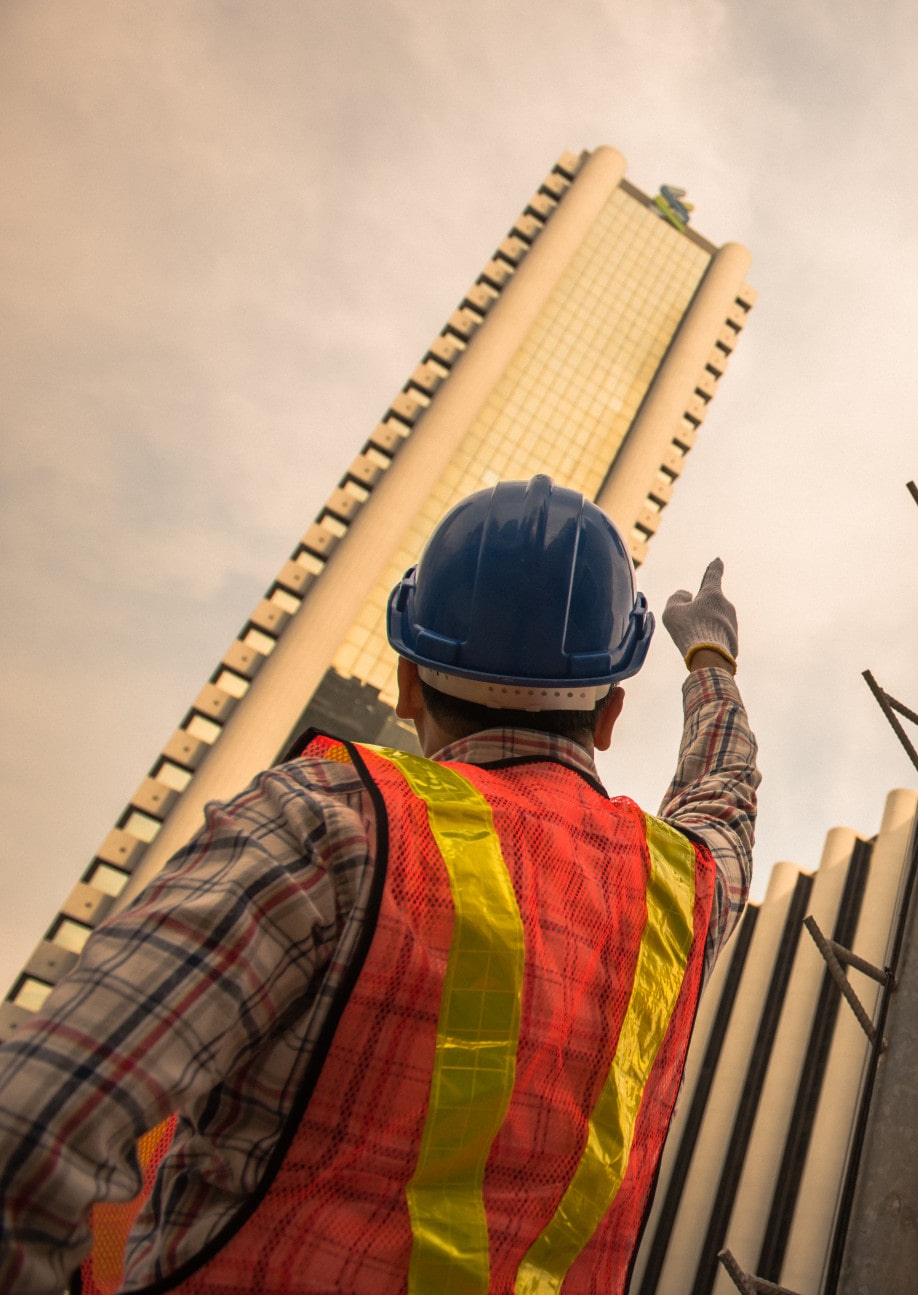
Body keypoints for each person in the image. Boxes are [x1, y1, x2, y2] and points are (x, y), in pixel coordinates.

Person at [0, 475, 757, 1293]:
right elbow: (725, 795)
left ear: (405, 685)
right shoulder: (681, 891)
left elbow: (31, 1132)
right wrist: (710, 662)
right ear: (609, 712)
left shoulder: (326, 824)